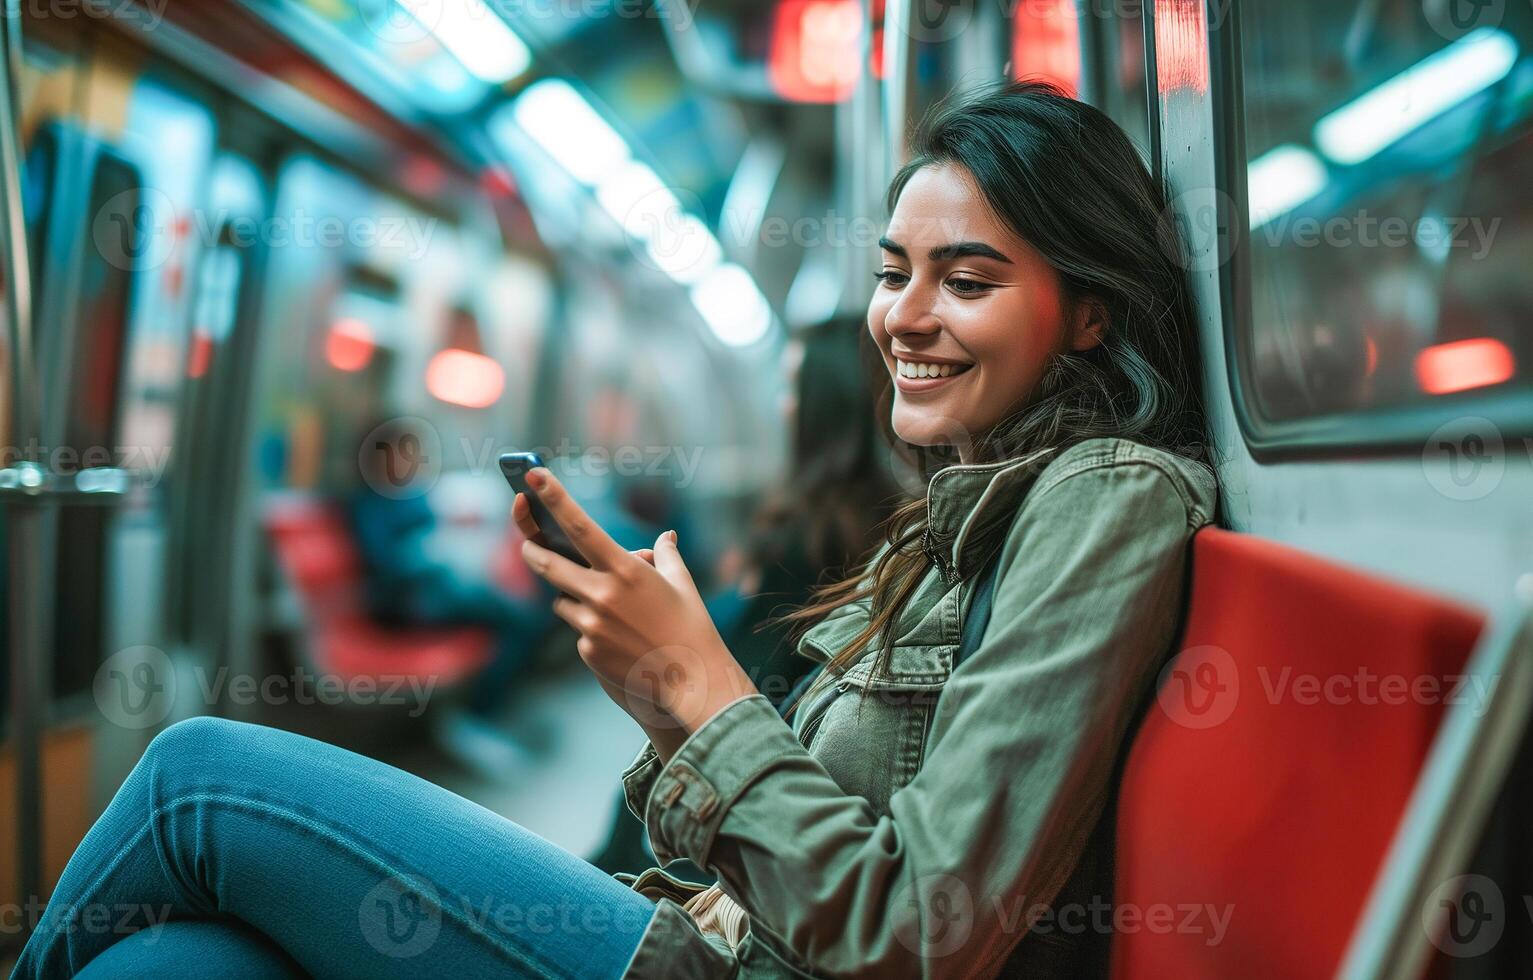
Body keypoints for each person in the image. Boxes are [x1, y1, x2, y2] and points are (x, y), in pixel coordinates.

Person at [14, 81, 1214, 979]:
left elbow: (918, 926)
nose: (902, 316)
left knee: (189, 778)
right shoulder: (961, 508)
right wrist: (664, 697)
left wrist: (703, 685)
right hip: (714, 927)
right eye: (893, 270)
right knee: (166, 963)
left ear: (1090, 312)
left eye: (967, 279)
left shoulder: (1106, 494)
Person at [588, 316, 902, 878]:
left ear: (823, 407)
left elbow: (745, 680)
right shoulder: (882, 522)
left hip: (702, 831)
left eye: (791, 388)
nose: (783, 406)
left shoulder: (808, 535)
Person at [347, 417, 554, 770]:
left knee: (518, 613)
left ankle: (486, 714)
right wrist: (429, 555)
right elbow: (387, 566)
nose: (409, 461)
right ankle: (478, 717)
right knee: (515, 617)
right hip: (403, 604)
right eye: (401, 453)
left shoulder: (410, 495)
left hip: (433, 591)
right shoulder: (369, 503)